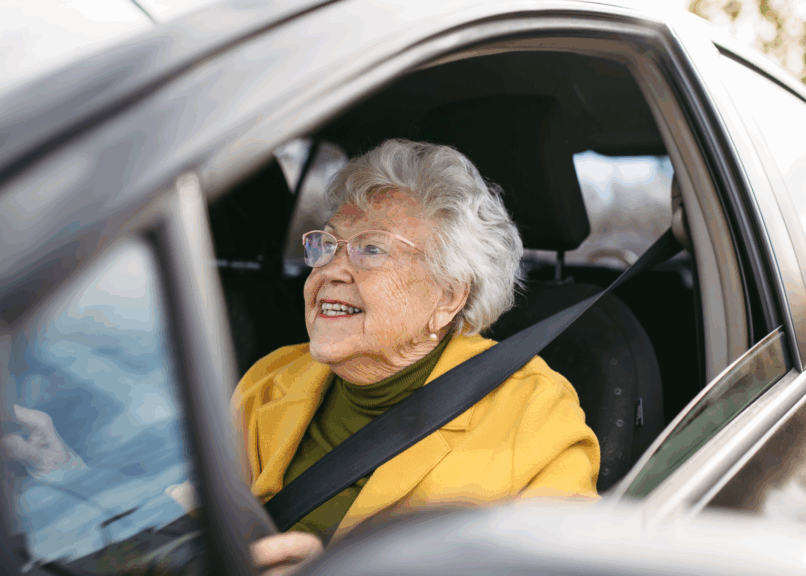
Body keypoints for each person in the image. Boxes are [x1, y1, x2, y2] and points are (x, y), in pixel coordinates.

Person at [232, 139, 601, 551]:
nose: (331, 270)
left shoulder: (535, 415)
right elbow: (188, 519)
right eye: (328, 245)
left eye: (371, 249)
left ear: (448, 298)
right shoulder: (270, 378)